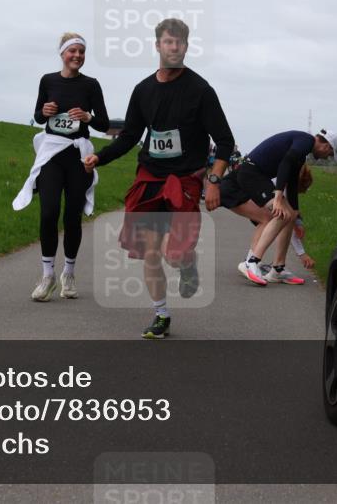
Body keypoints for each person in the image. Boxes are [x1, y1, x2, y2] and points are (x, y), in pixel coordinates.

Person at [83, 18, 234, 339]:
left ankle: (187, 265)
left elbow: (225, 142)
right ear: (158, 46)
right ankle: (161, 314)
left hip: (186, 179)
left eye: (180, 43)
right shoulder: (143, 90)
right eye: (168, 42)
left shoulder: (201, 91)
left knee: (175, 253)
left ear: (186, 47)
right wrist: (100, 157)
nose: (174, 47)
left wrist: (214, 180)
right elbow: (129, 136)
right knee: (151, 251)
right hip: (150, 176)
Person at [13, 33, 108, 300]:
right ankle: (47, 276)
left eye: (81, 52)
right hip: (52, 154)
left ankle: (68, 272)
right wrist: (45, 112)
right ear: (62, 53)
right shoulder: (48, 80)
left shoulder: (91, 85)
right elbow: (37, 115)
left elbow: (102, 123)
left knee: (72, 216)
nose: (77, 56)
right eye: (72, 51)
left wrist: (88, 116)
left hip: (78, 157)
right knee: (48, 212)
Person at [225, 129, 337, 286]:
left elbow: (292, 184)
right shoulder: (306, 141)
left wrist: (297, 216)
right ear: (326, 146)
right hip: (251, 173)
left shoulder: (302, 150)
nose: (328, 157)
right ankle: (251, 262)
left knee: (290, 214)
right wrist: (278, 197)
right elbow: (285, 163)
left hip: (258, 175)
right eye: (330, 154)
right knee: (282, 213)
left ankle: (277, 269)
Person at [221, 160, 318, 285]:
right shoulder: (279, 183)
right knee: (269, 218)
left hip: (236, 187)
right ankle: (250, 263)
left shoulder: (285, 177)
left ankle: (275, 268)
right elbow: (285, 221)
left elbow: (290, 219)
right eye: (300, 191)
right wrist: (302, 254)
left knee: (280, 216)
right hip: (232, 188)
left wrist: (297, 222)